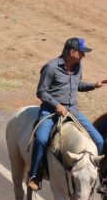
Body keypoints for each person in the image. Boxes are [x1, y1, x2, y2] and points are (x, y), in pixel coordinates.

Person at [27, 37, 107, 191]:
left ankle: (97, 176)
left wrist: (94, 85)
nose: (84, 55)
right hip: (50, 111)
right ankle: (35, 175)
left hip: (73, 112)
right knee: (41, 139)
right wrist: (56, 105)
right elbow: (41, 91)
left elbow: (77, 85)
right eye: (82, 52)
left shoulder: (78, 67)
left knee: (99, 140)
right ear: (72, 52)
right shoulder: (50, 67)